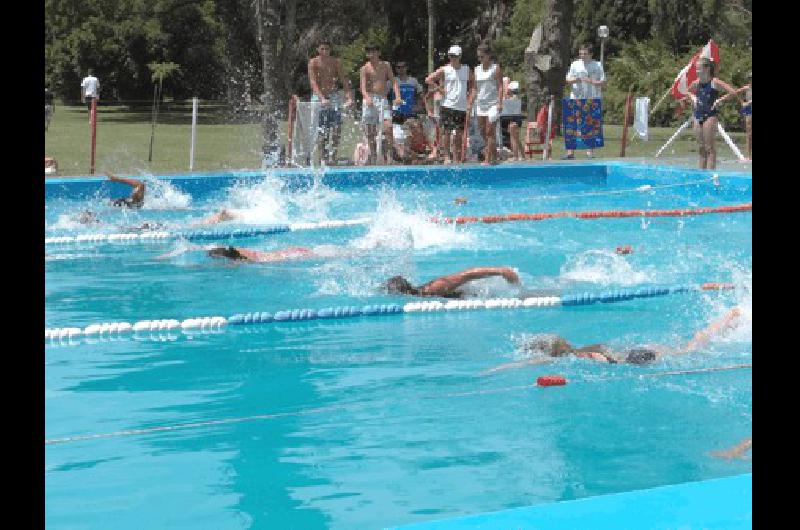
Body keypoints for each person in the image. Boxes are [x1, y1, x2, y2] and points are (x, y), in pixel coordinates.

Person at [482, 307, 743, 375]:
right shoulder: (580, 349)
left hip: (633, 359)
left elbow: (530, 364)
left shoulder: (573, 358)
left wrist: (497, 369)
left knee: (692, 349)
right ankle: (727, 320)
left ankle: (728, 320)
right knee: (687, 347)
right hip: (632, 352)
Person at [425, 45, 476, 164]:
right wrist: (439, 88)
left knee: (458, 134)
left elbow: (473, 85)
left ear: (460, 57)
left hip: (461, 106)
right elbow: (428, 79)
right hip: (447, 104)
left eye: (455, 56)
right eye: (451, 56)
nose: (453, 58)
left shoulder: (466, 69)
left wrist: (470, 101)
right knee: (446, 132)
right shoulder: (445, 69)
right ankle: (447, 156)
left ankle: (456, 157)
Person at [686, 57, 739, 170]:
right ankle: (701, 175)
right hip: (697, 115)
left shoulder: (714, 82)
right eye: (696, 69)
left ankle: (710, 175)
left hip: (710, 116)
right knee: (701, 147)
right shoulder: (696, 83)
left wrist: (720, 100)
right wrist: (693, 97)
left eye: (699, 69)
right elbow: (687, 92)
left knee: (709, 147)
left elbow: (733, 92)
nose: (696, 71)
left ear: (707, 69)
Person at [308, 41, 354, 164]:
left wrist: (349, 97)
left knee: (337, 127)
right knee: (322, 129)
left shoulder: (336, 62)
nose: (324, 51)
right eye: (322, 49)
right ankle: (322, 157)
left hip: (334, 96)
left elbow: (344, 80)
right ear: (318, 49)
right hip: (319, 96)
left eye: (327, 49)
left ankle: (333, 156)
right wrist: (322, 98)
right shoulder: (313, 62)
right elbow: (313, 82)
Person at [360, 45, 402, 165]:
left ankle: (389, 155)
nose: (371, 54)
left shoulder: (386, 65)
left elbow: (393, 81)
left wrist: (397, 96)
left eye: (373, 51)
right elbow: (362, 87)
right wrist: (367, 97)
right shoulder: (365, 68)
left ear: (378, 52)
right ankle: (373, 155)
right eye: (368, 52)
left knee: (388, 127)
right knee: (370, 130)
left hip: (382, 98)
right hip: (370, 98)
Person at [563, 44, 605, 159]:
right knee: (572, 125)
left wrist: (591, 81)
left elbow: (602, 82)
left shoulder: (597, 65)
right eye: (581, 53)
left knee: (590, 125)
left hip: (591, 98)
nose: (582, 56)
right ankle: (570, 153)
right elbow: (568, 79)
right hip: (575, 98)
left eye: (585, 54)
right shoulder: (575, 64)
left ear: (591, 54)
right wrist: (575, 80)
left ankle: (589, 152)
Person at [383, 267, 520, 298]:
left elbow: (467, 275)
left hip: (482, 294)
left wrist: (501, 271)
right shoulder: (419, 295)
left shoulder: (434, 288)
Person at [473, 44, 504, 165]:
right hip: (480, 104)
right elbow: (475, 88)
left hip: (493, 104)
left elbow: (501, 86)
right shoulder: (477, 69)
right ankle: (495, 155)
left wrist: (500, 103)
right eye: (478, 57)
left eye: (482, 57)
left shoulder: (495, 68)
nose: (480, 59)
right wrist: (470, 102)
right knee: (482, 131)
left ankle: (487, 159)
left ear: (488, 56)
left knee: (489, 131)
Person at [500, 81, 524, 161]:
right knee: (516, 138)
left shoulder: (513, 98)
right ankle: (523, 155)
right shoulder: (517, 97)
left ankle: (516, 156)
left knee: (513, 138)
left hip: (513, 120)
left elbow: (506, 107)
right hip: (517, 119)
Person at [736, 73, 752, 161]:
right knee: (749, 134)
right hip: (749, 111)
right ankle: (749, 156)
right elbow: (735, 92)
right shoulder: (746, 88)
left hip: (749, 106)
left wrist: (748, 102)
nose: (751, 80)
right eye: (750, 78)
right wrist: (741, 101)